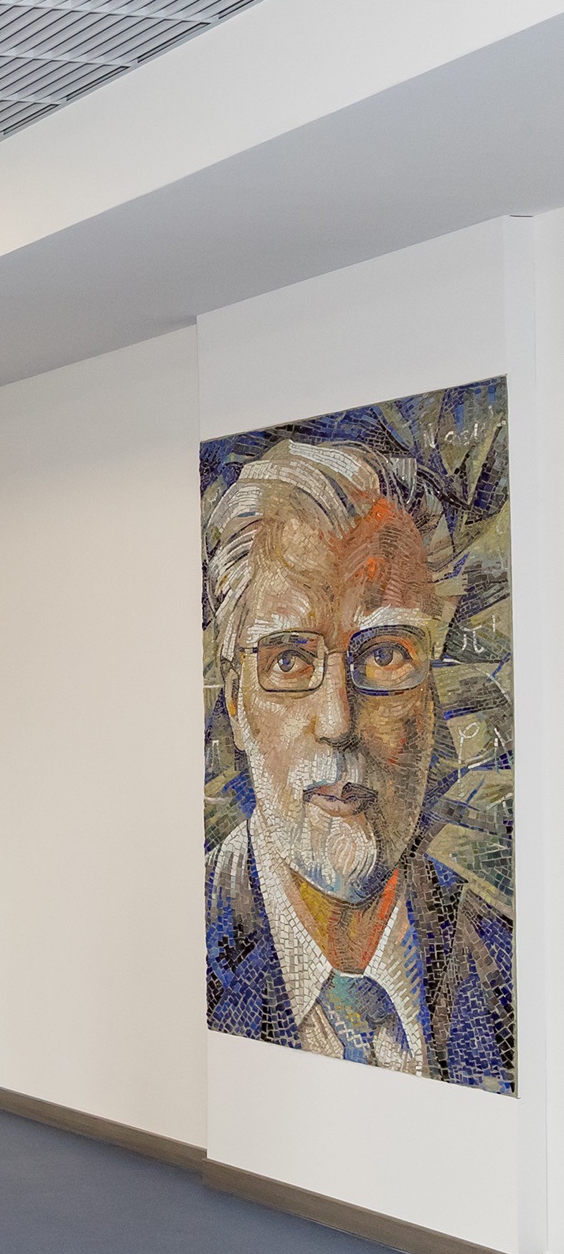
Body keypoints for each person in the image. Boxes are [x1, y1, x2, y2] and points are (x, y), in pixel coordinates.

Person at [204, 440, 513, 1088]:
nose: (339, 720)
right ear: (237, 704)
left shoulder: (511, 972)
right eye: (289, 659)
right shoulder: (179, 945)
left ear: (431, 693)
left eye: (384, 654)